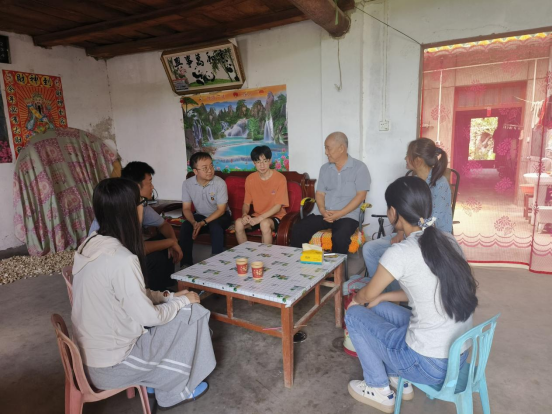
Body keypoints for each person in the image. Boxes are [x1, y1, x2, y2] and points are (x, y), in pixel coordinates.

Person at [72, 178, 215, 411]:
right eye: (141, 203)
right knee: (193, 313)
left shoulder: (91, 243)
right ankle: (173, 390)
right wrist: (181, 302)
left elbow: (132, 293)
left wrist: (170, 297)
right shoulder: (122, 259)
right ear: (130, 211)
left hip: (89, 358)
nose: (143, 208)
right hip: (112, 367)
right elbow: (150, 317)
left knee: (182, 307)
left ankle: (154, 379)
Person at [345, 176, 477, 413]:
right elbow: (423, 293)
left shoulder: (401, 252)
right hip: (457, 356)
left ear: (393, 212)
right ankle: (400, 380)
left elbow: (366, 294)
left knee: (354, 315)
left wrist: (355, 301)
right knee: (379, 307)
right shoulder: (447, 241)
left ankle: (377, 387)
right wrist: (383, 297)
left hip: (427, 364)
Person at [363, 138, 452, 282]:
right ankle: (383, 289)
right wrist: (400, 232)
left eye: (408, 155)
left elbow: (431, 223)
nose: (405, 158)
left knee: (393, 255)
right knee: (369, 249)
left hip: (433, 239)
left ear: (418, 161)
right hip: (410, 234)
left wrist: (405, 234)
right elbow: (404, 211)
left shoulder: (440, 185)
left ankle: (394, 289)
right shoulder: (413, 181)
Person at [89, 161, 183, 291]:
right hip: (108, 264)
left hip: (124, 251)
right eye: (149, 182)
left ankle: (166, 285)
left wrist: (171, 241)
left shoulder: (139, 204)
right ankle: (155, 294)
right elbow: (134, 248)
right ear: (136, 187)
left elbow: (163, 225)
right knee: (156, 258)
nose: (152, 187)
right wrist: (171, 242)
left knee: (163, 240)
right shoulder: (120, 209)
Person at [290, 132, 371, 254]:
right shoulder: (325, 168)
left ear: (341, 148)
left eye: (328, 148)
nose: (326, 152)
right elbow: (320, 193)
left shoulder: (359, 168)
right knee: (299, 229)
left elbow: (361, 195)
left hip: (347, 215)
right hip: (324, 214)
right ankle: (300, 262)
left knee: (340, 237)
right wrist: (322, 210)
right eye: (325, 148)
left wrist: (340, 213)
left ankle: (338, 267)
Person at [179, 152, 232, 266]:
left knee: (215, 226)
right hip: (201, 215)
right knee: (186, 226)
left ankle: (216, 262)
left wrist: (203, 223)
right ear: (195, 171)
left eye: (211, 166)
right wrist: (194, 222)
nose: (210, 170)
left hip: (221, 215)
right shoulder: (187, 184)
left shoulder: (219, 183)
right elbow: (186, 208)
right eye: (205, 168)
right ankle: (185, 264)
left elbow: (221, 210)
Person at [234, 145, 289, 245]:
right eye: (258, 162)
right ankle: (245, 253)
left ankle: (266, 254)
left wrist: (259, 219)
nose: (262, 165)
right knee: (238, 223)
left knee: (264, 224)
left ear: (270, 160)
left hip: (276, 216)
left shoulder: (280, 178)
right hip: (257, 215)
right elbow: (246, 203)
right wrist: (245, 214)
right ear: (254, 163)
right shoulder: (250, 179)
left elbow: (277, 207)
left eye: (265, 161)